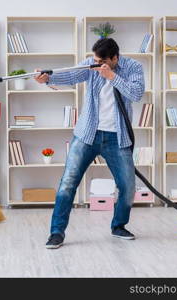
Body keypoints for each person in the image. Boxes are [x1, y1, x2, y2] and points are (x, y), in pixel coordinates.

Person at [34, 38, 145, 249]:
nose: (95, 64)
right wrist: (48, 78)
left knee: (128, 186)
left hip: (117, 137)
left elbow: (136, 93)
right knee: (68, 183)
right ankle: (56, 232)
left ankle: (118, 226)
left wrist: (111, 76)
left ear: (114, 58)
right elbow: (69, 75)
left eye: (100, 61)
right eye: (94, 60)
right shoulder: (91, 64)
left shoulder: (133, 67)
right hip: (87, 134)